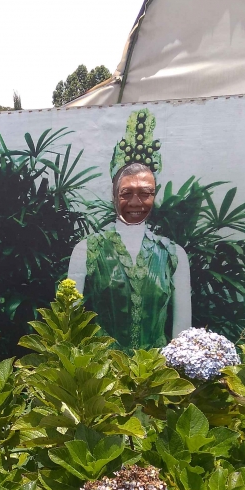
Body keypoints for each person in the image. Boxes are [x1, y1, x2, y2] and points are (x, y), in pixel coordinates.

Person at [67, 109, 191, 351]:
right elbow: (69, 325)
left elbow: (182, 336)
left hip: (154, 378)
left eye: (145, 193)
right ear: (114, 195)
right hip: (102, 377)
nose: (136, 202)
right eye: (126, 193)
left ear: (155, 196)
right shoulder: (87, 250)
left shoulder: (174, 255)